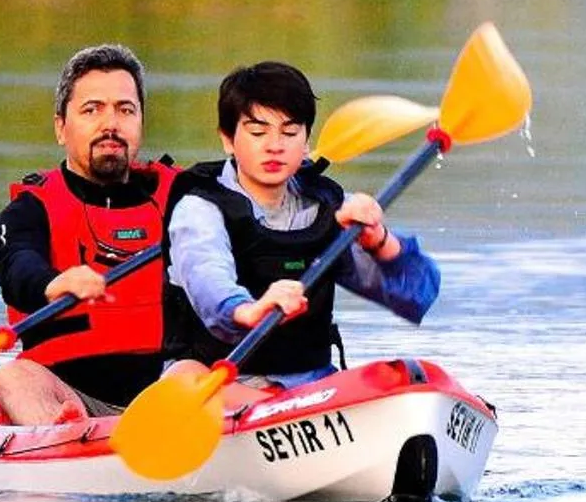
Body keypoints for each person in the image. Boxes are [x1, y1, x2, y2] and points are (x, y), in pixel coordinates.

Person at [163, 60, 439, 389]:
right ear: (227, 139)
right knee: (188, 377)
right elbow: (208, 282)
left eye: (290, 132)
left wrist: (380, 241)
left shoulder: (331, 208)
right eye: (257, 132)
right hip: (219, 386)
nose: (275, 145)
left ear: (306, 141)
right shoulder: (199, 209)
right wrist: (249, 311)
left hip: (310, 387)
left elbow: (417, 296)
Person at [0, 44, 178, 424]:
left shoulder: (187, 199)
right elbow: (15, 264)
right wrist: (53, 282)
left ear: (141, 122)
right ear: (61, 127)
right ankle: (62, 437)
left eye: (125, 110)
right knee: (13, 376)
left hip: (172, 396)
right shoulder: (30, 210)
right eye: (92, 110)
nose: (111, 124)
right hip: (71, 399)